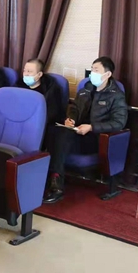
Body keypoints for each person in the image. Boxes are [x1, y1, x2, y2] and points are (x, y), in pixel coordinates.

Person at [43, 56, 128, 204]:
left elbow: (119, 122)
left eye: (96, 70)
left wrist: (92, 127)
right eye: (92, 69)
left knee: (61, 136)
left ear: (107, 74)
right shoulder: (87, 88)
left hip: (96, 138)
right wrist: (71, 119)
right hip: (77, 133)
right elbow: (75, 108)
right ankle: (50, 177)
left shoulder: (116, 95)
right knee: (52, 131)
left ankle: (56, 183)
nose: (92, 73)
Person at [16, 58, 65, 126]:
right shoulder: (18, 86)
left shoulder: (50, 90)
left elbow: (52, 114)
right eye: (24, 71)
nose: (26, 74)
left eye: (29, 71)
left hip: (41, 123)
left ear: (39, 74)